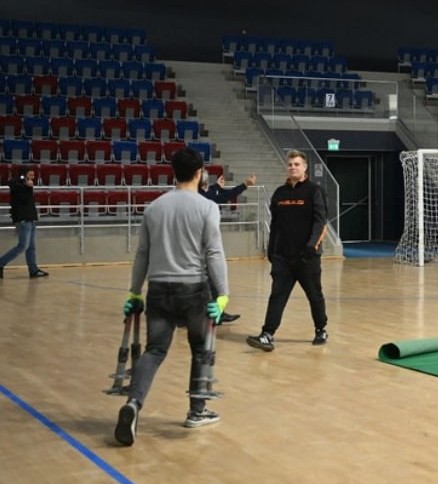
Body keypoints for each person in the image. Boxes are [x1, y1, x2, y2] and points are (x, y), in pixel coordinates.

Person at [114, 147, 230, 446]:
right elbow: (214, 253)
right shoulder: (207, 208)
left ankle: (133, 404)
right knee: (201, 348)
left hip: (159, 290)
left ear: (173, 173)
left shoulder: (154, 208)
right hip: (193, 290)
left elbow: (142, 254)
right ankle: (197, 410)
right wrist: (223, 296)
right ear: (199, 172)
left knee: (154, 351)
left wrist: (134, 291)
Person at [246, 149, 328, 352]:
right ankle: (267, 334)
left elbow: (320, 222)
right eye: (290, 164)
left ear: (305, 167)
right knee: (277, 296)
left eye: (297, 164)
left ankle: (320, 329)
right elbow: (275, 224)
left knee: (314, 295)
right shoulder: (279, 194)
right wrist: (271, 249)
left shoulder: (314, 191)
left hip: (307, 258)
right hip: (283, 257)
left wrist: (311, 247)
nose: (293, 167)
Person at [198, 169, 257, 322]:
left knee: (210, 280)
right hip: (202, 245)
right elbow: (222, 197)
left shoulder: (200, 194)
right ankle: (214, 314)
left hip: (199, 243)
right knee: (212, 279)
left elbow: (213, 194)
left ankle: (214, 313)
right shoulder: (201, 197)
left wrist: (217, 187)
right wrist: (244, 185)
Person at [0, 166, 49, 279]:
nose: (33, 177)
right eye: (30, 175)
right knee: (22, 246)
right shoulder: (16, 185)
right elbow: (11, 182)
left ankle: (33, 270)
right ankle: (1, 263)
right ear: (24, 175)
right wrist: (23, 182)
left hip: (30, 219)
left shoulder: (28, 186)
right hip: (22, 220)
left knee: (31, 247)